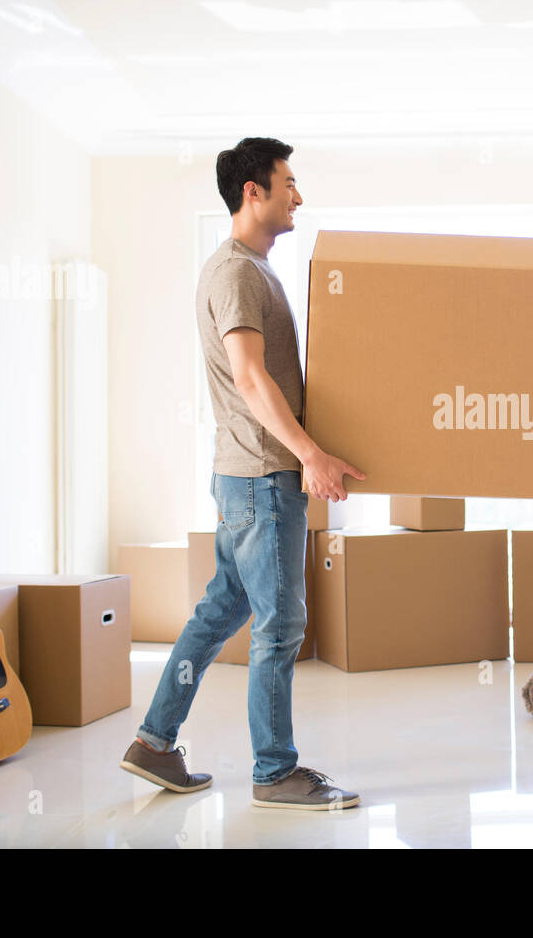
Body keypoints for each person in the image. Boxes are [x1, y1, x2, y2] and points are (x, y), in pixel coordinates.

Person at [119, 137, 367, 811]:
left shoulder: (253, 270)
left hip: (243, 478)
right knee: (280, 626)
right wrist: (308, 455)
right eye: (289, 182)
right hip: (261, 477)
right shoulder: (234, 274)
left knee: (217, 614)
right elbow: (251, 378)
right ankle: (274, 772)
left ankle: (154, 740)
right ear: (252, 191)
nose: (298, 195)